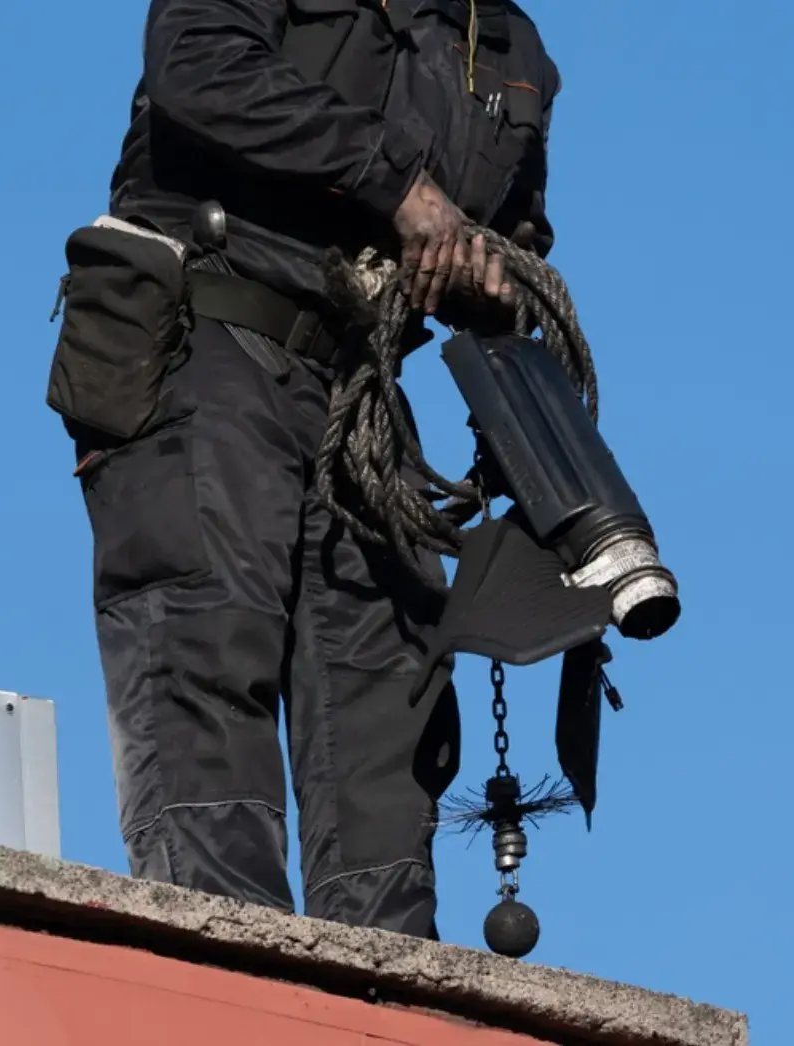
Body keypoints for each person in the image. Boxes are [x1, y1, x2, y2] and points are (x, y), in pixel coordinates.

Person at [66, 0, 561, 940]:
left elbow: (514, 232)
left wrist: (494, 282)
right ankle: (227, 973)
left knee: (389, 707)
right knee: (207, 655)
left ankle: (380, 995)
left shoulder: (509, 47)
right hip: (213, 332)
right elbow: (199, 66)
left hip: (362, 392)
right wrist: (402, 190)